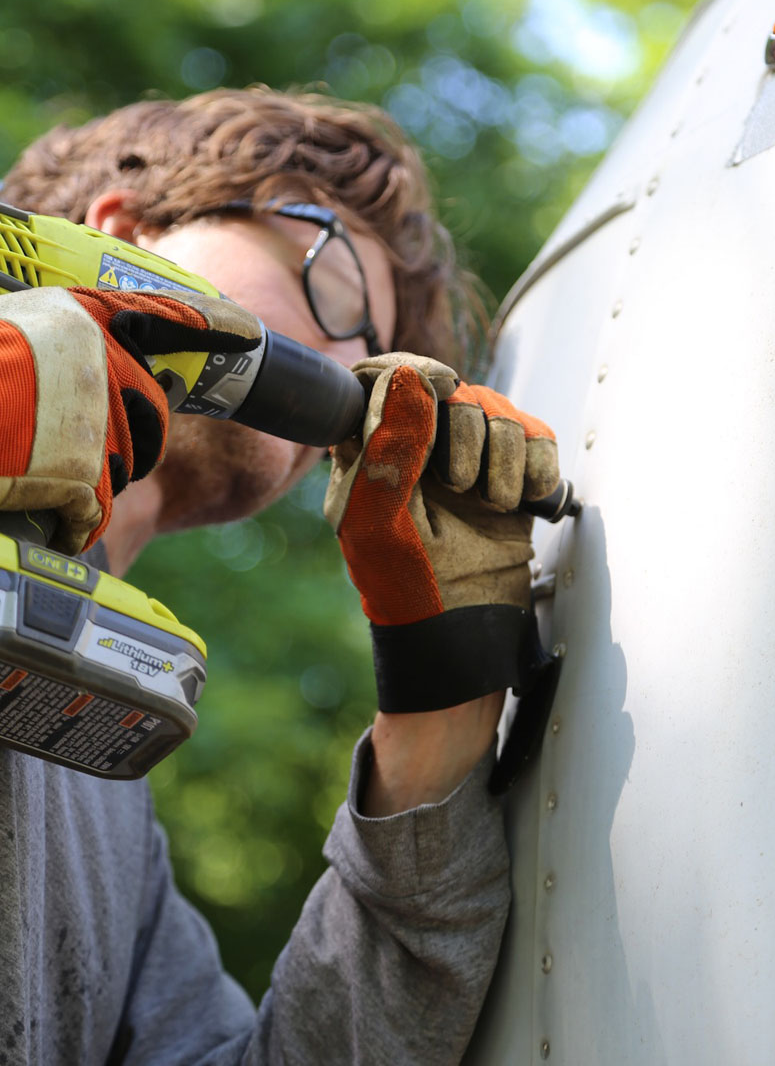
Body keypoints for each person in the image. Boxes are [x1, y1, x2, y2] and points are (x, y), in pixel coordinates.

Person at [0, 86, 559, 1064]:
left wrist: (439, 711)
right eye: (331, 277)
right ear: (124, 230)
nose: (352, 365)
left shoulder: (103, 788)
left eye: (378, 346)